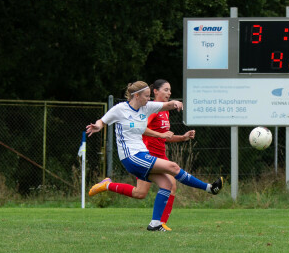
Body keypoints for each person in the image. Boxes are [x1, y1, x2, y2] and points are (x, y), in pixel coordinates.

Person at [86, 81, 223, 232]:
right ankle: (210, 188)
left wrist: (176, 103)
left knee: (166, 184)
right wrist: (97, 126)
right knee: (173, 167)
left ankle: (155, 223)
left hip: (143, 154)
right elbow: (102, 121)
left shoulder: (146, 107)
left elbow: (166, 105)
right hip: (131, 156)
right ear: (136, 96)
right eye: (146, 96)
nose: (148, 99)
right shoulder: (120, 109)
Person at [140, 79, 195, 232]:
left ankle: (160, 223)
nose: (169, 93)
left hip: (161, 156)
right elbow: (141, 127)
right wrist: (161, 135)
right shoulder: (152, 110)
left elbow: (166, 136)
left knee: (164, 187)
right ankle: (159, 223)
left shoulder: (164, 111)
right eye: (165, 90)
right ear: (155, 92)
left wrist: (183, 137)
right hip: (148, 155)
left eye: (170, 90)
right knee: (143, 192)